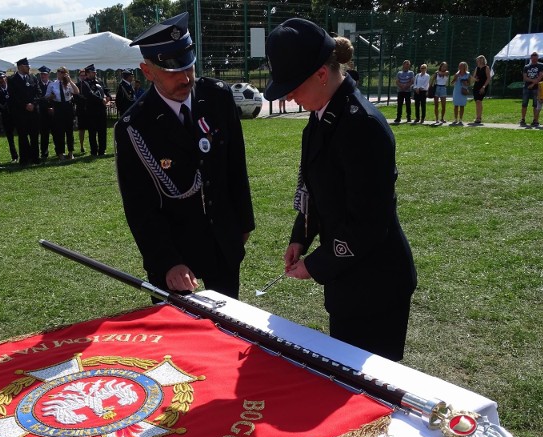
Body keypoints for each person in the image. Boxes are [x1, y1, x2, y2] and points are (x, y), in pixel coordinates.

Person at [264, 18, 416, 361]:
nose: (289, 95)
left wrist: (315, 264)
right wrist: (299, 238)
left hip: (377, 286)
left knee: (372, 393)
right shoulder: (320, 119)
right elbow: (315, 193)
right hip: (347, 284)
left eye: (293, 86)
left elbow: (368, 224)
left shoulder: (362, 126)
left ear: (321, 74)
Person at [114, 12, 255, 300]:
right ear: (148, 71)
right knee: (177, 334)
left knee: (228, 328)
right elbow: (140, 206)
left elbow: (235, 166)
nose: (186, 77)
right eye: (172, 70)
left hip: (222, 239)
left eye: (189, 65)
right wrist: (166, 261)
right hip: (175, 250)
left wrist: (242, 224)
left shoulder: (217, 97)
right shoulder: (134, 127)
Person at [7, 58, 40, 165]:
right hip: (20, 113)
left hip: (33, 112)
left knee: (34, 136)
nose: (29, 67)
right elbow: (13, 97)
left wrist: (33, 104)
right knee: (23, 137)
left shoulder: (33, 78)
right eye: (26, 66)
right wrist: (25, 105)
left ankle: (35, 158)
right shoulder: (12, 79)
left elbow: (38, 93)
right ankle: (25, 159)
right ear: (20, 67)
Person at [45, 66, 79, 161]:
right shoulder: (52, 84)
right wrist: (50, 97)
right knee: (59, 132)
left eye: (62, 72)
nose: (60, 73)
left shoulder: (68, 84)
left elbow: (76, 91)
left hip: (68, 107)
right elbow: (46, 96)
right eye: (59, 72)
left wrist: (70, 81)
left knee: (69, 131)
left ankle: (71, 152)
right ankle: (60, 153)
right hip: (58, 107)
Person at [80, 64, 110, 156]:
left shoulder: (99, 81)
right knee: (92, 132)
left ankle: (102, 150)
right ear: (88, 73)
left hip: (101, 110)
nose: (95, 73)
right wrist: (102, 100)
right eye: (93, 72)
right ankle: (94, 151)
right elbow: (90, 94)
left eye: (95, 72)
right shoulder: (85, 83)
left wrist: (108, 97)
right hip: (91, 110)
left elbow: (105, 89)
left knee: (102, 131)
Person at [0, 70, 18, 162]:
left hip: (16, 115)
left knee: (22, 136)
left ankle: (26, 155)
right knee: (10, 138)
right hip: (6, 117)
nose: (1, 80)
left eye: (2, 78)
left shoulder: (13, 88)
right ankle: (14, 156)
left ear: (6, 77)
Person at [520, 52, 543, 127]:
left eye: (536, 58)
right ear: (531, 58)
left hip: (537, 88)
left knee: (535, 105)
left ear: (537, 58)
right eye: (533, 58)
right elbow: (525, 77)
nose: (534, 60)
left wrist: (533, 84)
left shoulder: (541, 65)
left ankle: (535, 120)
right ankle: (523, 119)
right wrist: (533, 81)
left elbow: (541, 76)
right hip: (527, 87)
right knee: (524, 104)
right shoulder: (526, 66)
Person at [36, 66, 53, 159]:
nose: (43, 76)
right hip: (42, 113)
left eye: (45, 74)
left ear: (48, 75)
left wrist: (52, 108)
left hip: (53, 112)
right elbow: (38, 98)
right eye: (42, 74)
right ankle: (44, 153)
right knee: (44, 135)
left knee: (56, 133)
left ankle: (59, 152)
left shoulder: (53, 84)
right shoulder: (37, 84)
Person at [471, 55, 490, 124]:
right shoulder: (477, 68)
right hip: (476, 86)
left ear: (482, 60)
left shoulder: (486, 68)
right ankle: (478, 117)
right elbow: (473, 77)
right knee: (477, 102)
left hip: (483, 86)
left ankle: (479, 117)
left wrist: (484, 87)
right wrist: (475, 79)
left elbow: (488, 78)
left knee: (479, 100)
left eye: (478, 60)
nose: (477, 61)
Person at [74, 69, 88, 154]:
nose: (83, 77)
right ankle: (82, 146)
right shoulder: (77, 85)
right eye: (81, 75)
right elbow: (75, 97)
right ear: (79, 76)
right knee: (81, 129)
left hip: (89, 109)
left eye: (84, 75)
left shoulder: (89, 85)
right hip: (80, 109)